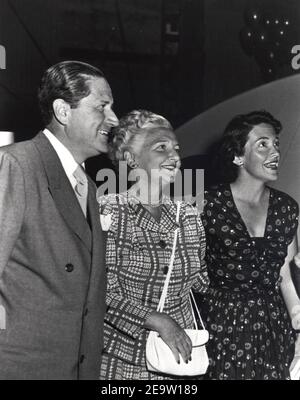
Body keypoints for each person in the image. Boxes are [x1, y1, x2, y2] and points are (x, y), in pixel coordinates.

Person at [0, 60, 119, 379]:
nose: (114, 119)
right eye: (102, 107)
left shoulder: (90, 189)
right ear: (63, 112)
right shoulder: (16, 166)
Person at [98, 110, 209, 380]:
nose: (175, 157)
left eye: (176, 148)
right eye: (162, 148)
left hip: (178, 362)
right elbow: (99, 292)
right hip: (122, 362)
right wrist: (157, 319)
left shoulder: (190, 216)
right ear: (131, 159)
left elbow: (203, 282)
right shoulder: (109, 211)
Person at [198, 110, 300, 380]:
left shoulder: (287, 208)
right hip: (221, 327)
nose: (275, 152)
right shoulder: (207, 204)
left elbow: (284, 275)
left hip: (273, 328)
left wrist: (296, 315)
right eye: (263, 144)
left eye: (276, 143)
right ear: (237, 156)